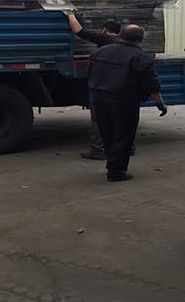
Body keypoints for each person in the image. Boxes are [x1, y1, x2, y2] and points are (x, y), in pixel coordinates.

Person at [89, 24, 168, 182]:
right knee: (124, 136)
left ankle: (112, 165)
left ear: (120, 35)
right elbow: (152, 85)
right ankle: (116, 172)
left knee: (107, 133)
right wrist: (160, 104)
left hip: (99, 99)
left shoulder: (100, 51)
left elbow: (91, 73)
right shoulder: (142, 57)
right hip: (125, 102)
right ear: (140, 39)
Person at [66, 12, 120, 160]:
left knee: (99, 118)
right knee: (121, 118)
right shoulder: (126, 43)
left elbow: (79, 31)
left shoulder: (104, 39)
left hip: (105, 88)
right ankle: (127, 149)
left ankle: (98, 150)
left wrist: (70, 14)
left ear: (104, 30)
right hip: (122, 88)